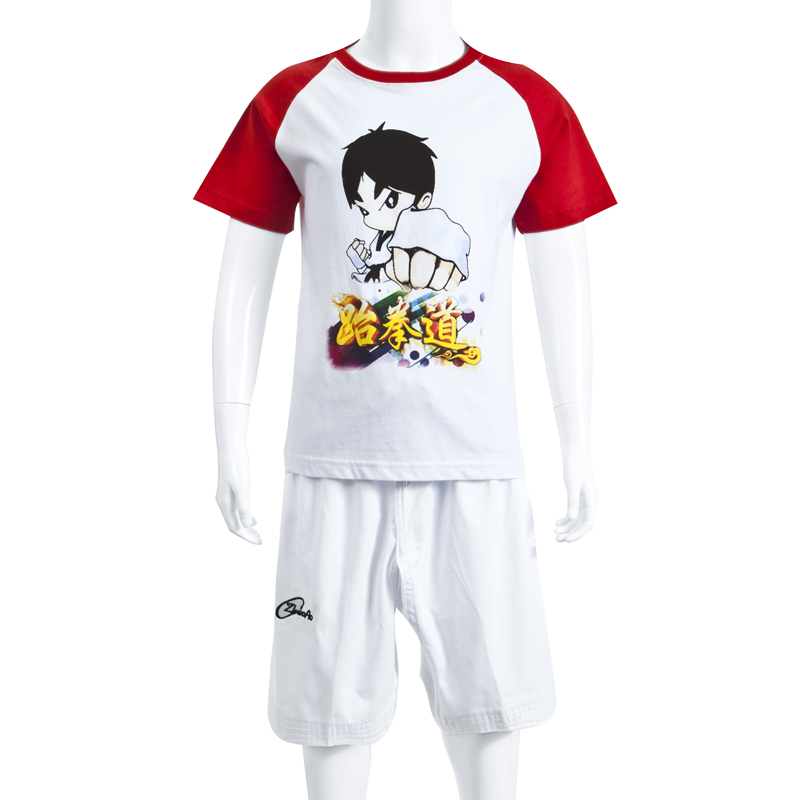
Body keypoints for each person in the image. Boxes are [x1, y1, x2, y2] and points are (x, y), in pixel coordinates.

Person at [194, 3, 616, 798]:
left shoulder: (525, 105)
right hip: (330, 464)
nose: (377, 210)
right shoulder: (293, 101)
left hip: (476, 464)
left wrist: (578, 441)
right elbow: (241, 280)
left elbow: (564, 280)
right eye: (368, 199)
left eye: (390, 199)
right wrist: (229, 435)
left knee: (491, 705)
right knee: (327, 713)